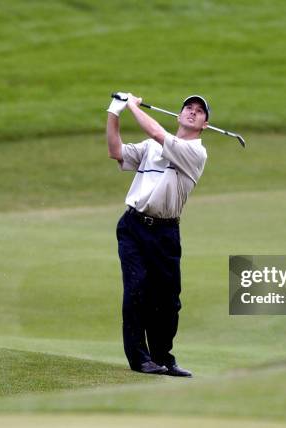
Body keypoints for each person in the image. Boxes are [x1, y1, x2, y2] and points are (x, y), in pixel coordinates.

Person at [106, 92, 209, 377]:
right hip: (133, 227)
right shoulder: (152, 146)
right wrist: (113, 114)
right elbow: (116, 151)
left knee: (168, 301)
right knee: (136, 290)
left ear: (204, 125)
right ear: (179, 116)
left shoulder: (196, 152)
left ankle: (163, 357)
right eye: (188, 107)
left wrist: (132, 107)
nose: (191, 111)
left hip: (166, 232)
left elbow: (156, 131)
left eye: (199, 111)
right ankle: (140, 359)